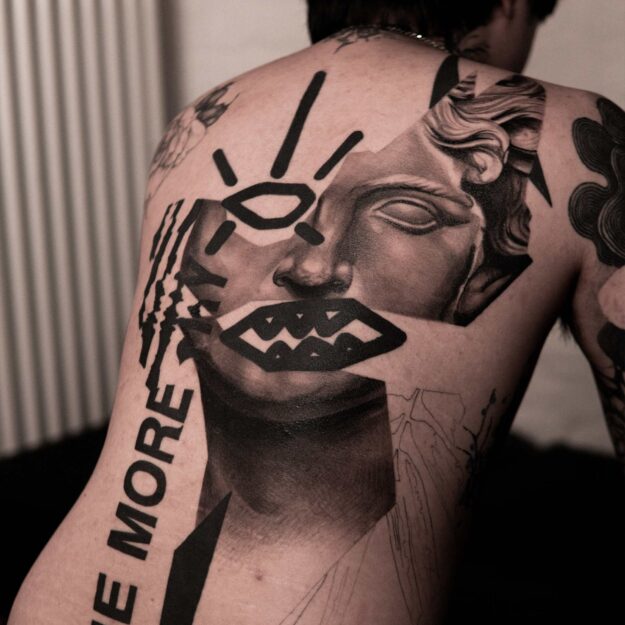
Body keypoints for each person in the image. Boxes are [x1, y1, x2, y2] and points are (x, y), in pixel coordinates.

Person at [9, 1, 624, 624]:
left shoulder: (207, 111)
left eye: (404, 214)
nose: (311, 268)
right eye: (263, 211)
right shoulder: (578, 137)